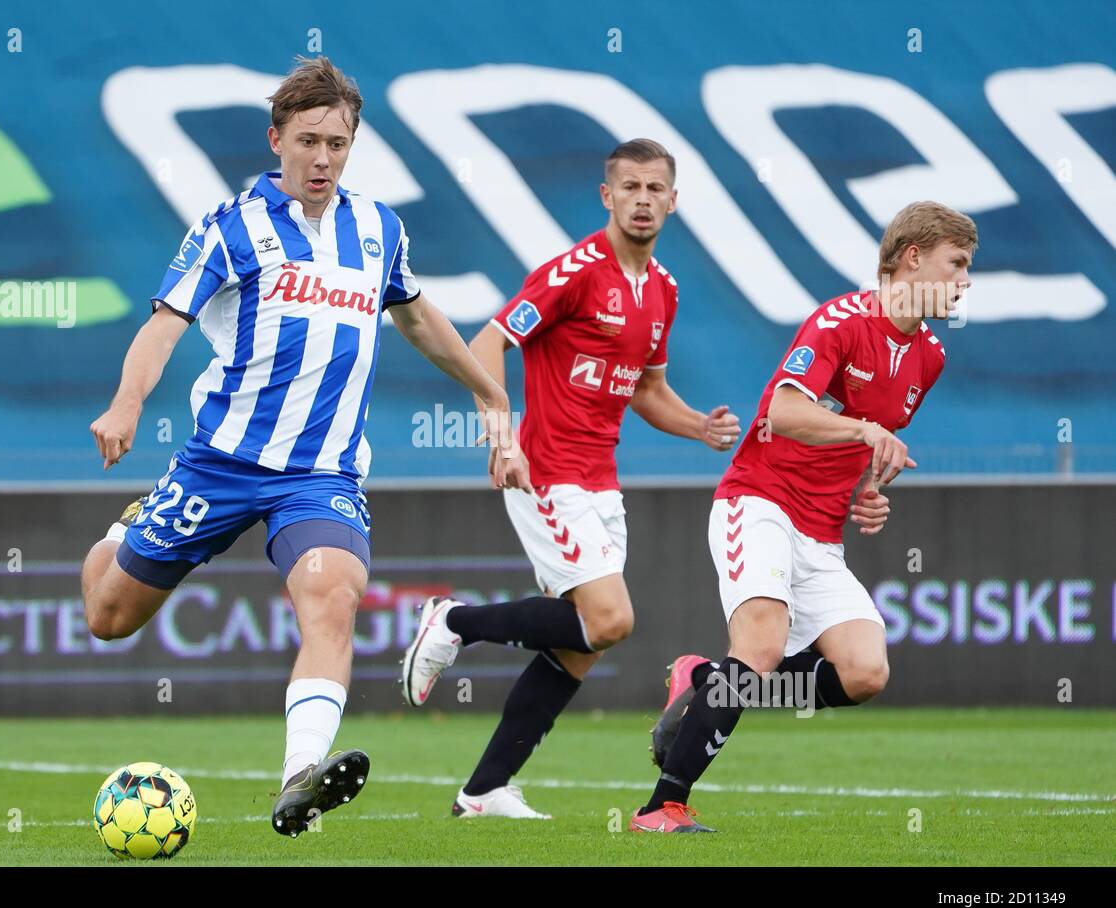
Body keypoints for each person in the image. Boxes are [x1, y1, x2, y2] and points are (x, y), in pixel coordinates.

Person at [79, 56, 514, 838]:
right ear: (275, 138)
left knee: (332, 595)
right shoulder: (229, 227)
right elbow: (164, 324)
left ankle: (298, 778)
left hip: (321, 474)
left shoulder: (379, 228)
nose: (323, 159)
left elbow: (415, 317)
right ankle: (127, 525)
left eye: (338, 144)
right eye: (309, 141)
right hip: (219, 463)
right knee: (109, 617)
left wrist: (488, 389)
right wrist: (126, 402)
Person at [400, 139, 741, 818]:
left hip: (600, 482)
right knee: (611, 618)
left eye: (655, 189)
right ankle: (454, 619)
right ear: (606, 196)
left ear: (674, 201)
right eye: (630, 187)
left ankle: (483, 791)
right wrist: (500, 436)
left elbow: (647, 391)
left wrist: (698, 425)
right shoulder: (575, 272)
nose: (643, 200)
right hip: (546, 468)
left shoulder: (662, 291)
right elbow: (487, 343)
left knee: (580, 645)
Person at [634, 200, 977, 833]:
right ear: (913, 257)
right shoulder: (840, 321)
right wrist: (869, 428)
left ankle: (705, 681)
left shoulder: (929, 357)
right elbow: (784, 415)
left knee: (866, 672)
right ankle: (662, 805)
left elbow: (849, 445)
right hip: (758, 501)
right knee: (761, 649)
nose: (965, 282)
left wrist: (863, 492)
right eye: (956, 264)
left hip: (821, 533)